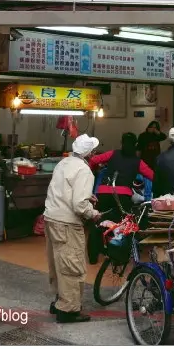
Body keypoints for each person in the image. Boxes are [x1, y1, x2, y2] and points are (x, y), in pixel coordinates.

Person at [44, 134, 102, 324]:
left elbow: (64, 190)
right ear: (90, 153)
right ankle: (68, 310)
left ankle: (59, 301)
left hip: (51, 218)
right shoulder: (85, 171)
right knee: (71, 265)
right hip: (67, 223)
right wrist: (93, 213)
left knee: (57, 263)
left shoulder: (64, 163)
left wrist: (87, 197)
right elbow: (78, 205)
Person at [88, 132, 154, 255]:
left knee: (98, 221)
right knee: (124, 224)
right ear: (136, 144)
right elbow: (152, 175)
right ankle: (120, 252)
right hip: (123, 196)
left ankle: (93, 255)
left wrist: (94, 170)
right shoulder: (137, 161)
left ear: (121, 142)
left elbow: (93, 160)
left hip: (104, 192)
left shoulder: (113, 153)